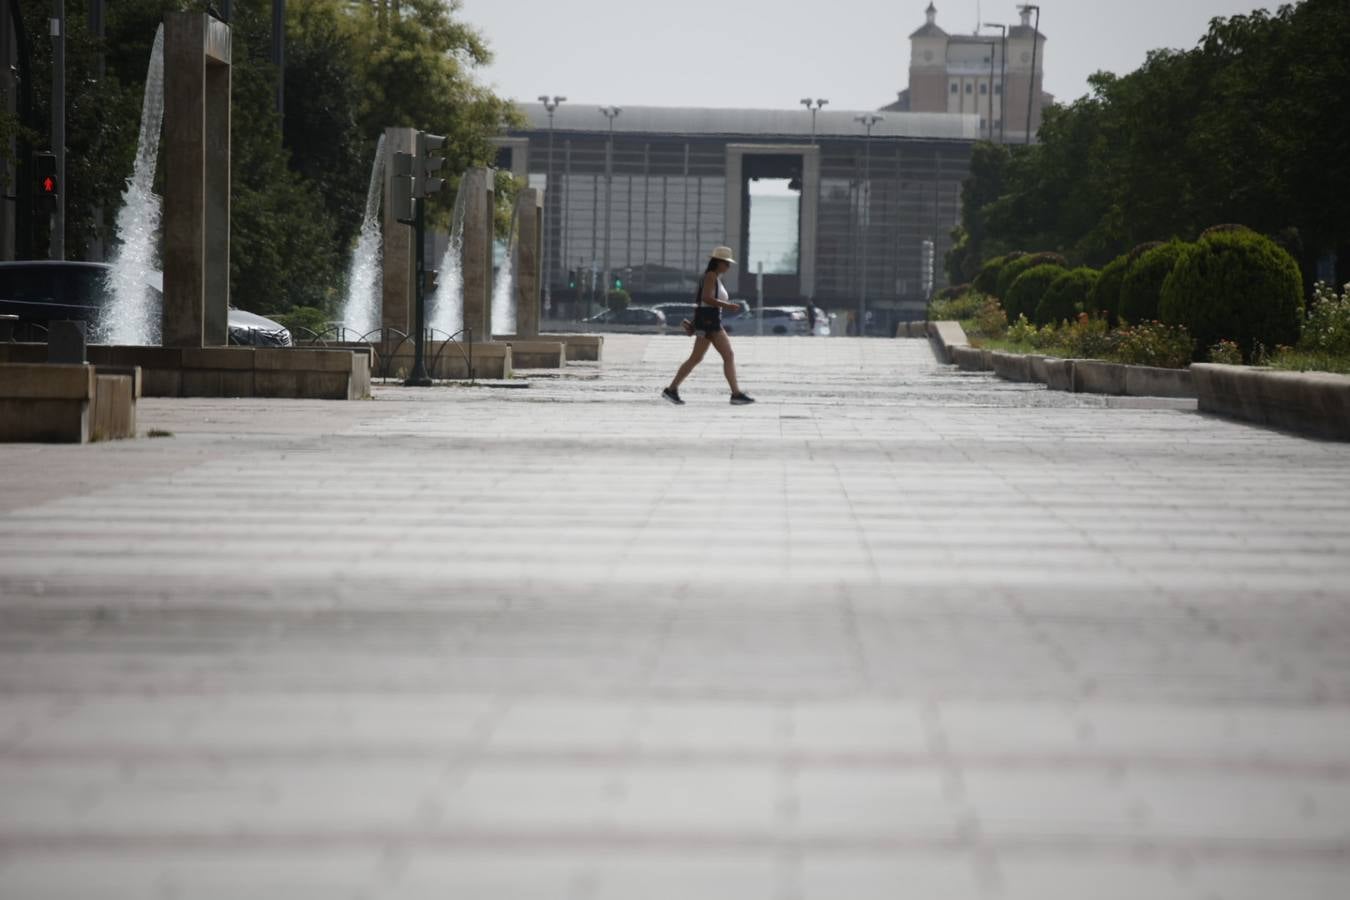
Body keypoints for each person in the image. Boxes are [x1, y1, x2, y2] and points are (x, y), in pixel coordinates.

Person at [662, 246, 755, 406]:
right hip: (710, 322)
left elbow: (701, 301)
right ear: (718, 262)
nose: (728, 266)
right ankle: (735, 394)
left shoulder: (714, 277)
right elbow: (706, 298)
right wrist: (728, 306)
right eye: (726, 263)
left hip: (710, 321)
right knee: (726, 356)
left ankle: (672, 389)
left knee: (697, 358)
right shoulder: (711, 276)